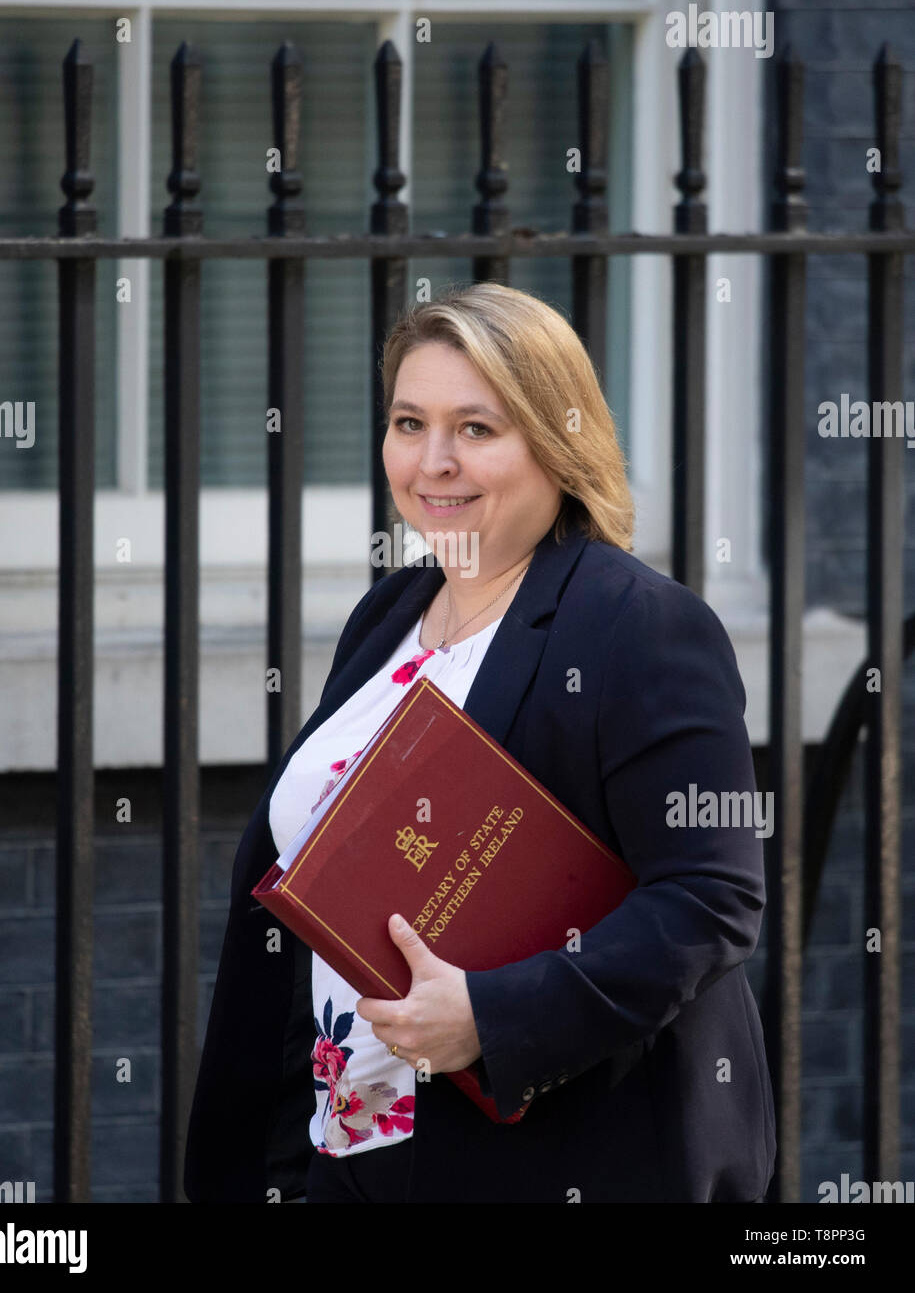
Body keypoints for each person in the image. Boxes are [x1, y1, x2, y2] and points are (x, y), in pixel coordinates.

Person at [183, 281, 777, 1204]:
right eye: (408, 422)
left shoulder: (639, 626)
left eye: (476, 429)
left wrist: (491, 1020)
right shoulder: (390, 614)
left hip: (545, 1162)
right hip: (349, 1153)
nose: (432, 462)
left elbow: (711, 898)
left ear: (554, 438)